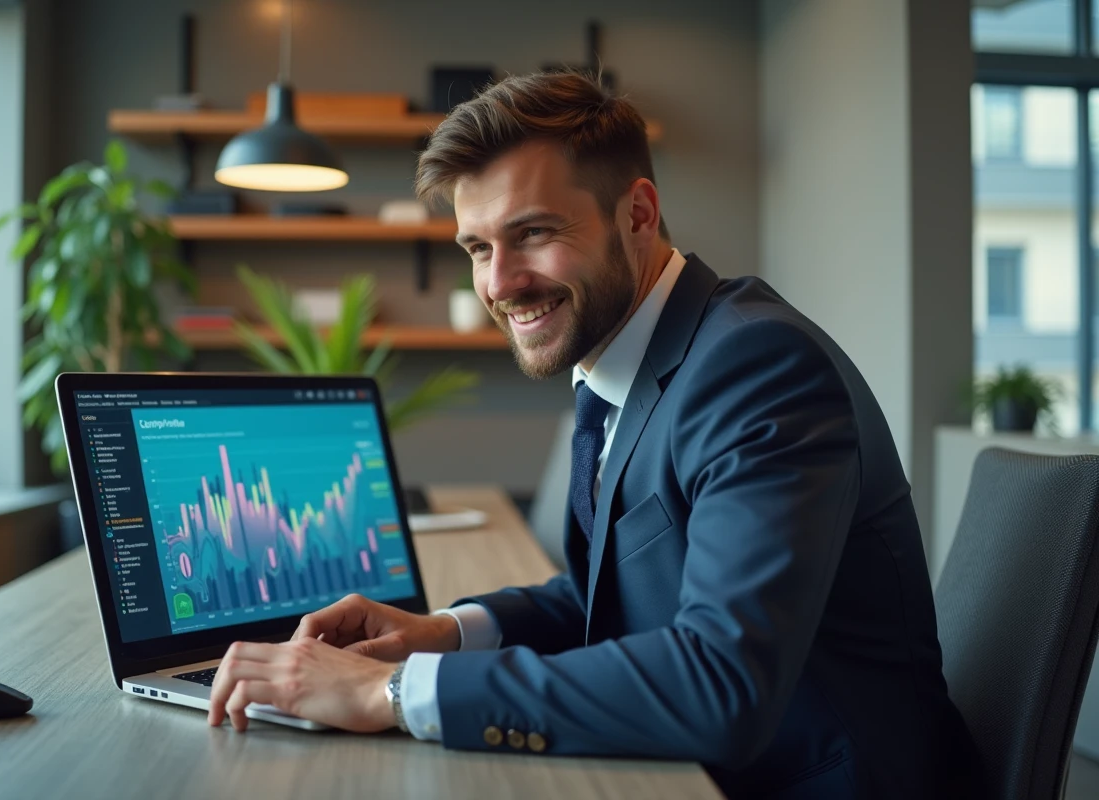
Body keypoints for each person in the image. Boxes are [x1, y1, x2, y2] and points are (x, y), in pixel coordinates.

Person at [207, 71, 980, 799]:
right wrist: (439, 636)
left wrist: (391, 692)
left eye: (533, 232)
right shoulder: (625, 359)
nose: (500, 284)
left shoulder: (754, 365)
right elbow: (609, 596)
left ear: (637, 214)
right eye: (478, 249)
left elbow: (723, 682)